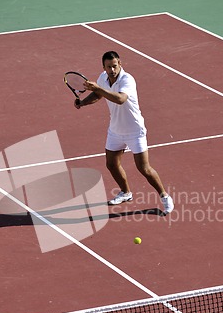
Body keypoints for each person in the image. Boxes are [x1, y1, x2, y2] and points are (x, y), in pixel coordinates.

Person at [74, 51, 174, 215]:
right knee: (111, 164)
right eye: (108, 67)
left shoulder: (127, 80)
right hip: (115, 130)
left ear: (120, 63)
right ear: (103, 67)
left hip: (135, 130)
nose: (112, 70)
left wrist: (99, 88)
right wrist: (83, 103)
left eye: (114, 66)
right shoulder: (103, 78)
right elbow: (98, 95)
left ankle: (164, 196)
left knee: (144, 168)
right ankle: (126, 192)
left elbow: (120, 99)